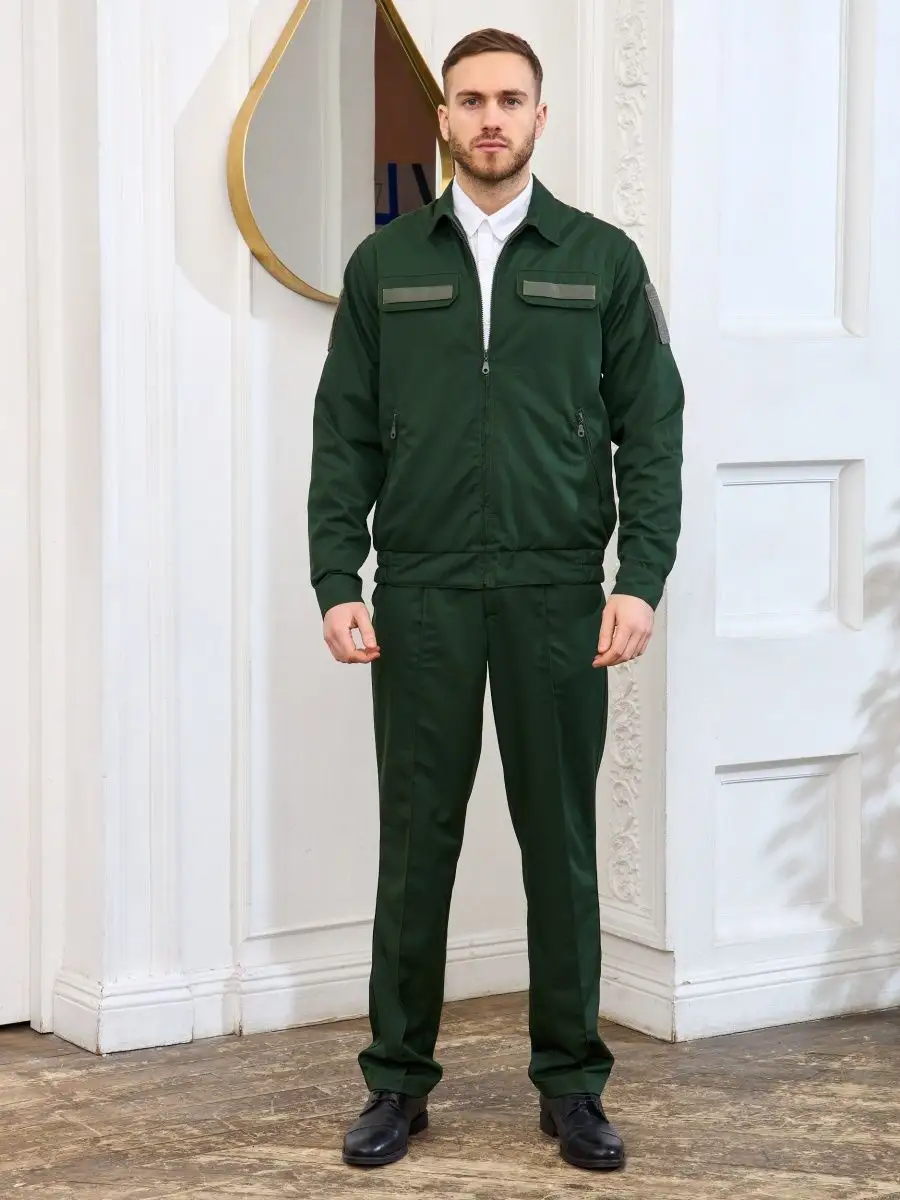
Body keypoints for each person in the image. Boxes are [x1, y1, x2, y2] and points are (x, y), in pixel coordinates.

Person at [307, 27, 684, 1173]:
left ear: (539, 117)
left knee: (558, 844)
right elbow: (343, 434)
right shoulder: (386, 266)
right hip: (420, 591)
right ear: (444, 118)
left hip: (557, 592)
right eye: (469, 99)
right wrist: (336, 578)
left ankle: (572, 1084)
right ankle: (395, 1083)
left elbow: (652, 428)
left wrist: (640, 578)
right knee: (414, 843)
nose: (489, 118)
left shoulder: (601, 259)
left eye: (509, 100)